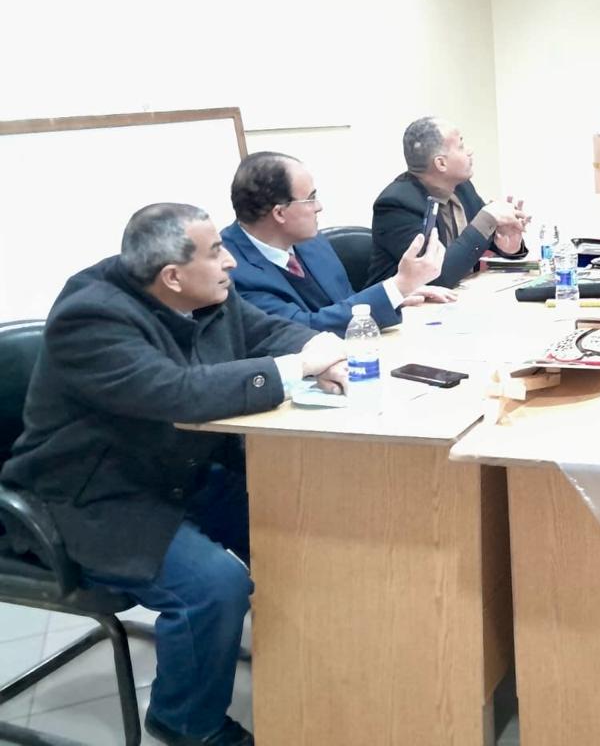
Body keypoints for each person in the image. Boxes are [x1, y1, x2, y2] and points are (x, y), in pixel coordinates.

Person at [2, 204, 349, 746]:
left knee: (303, 529)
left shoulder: (204, 292)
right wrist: (295, 369)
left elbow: (264, 331)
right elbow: (179, 393)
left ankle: (316, 665)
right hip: (95, 494)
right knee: (214, 586)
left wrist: (316, 350)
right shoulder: (91, 318)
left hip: (181, 470)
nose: (231, 262)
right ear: (172, 276)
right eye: (216, 252)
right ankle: (184, 721)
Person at [221, 151, 450, 335]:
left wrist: (396, 295)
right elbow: (302, 330)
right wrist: (397, 286)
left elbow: (344, 301)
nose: (319, 207)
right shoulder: (231, 271)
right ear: (279, 213)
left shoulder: (308, 240)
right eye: (311, 198)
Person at [367, 117, 529, 288]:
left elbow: (477, 242)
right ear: (441, 163)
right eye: (461, 146)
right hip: (407, 303)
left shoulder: (462, 188)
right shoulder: (396, 206)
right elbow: (435, 277)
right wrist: (487, 218)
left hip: (458, 296)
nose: (470, 151)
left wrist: (507, 244)